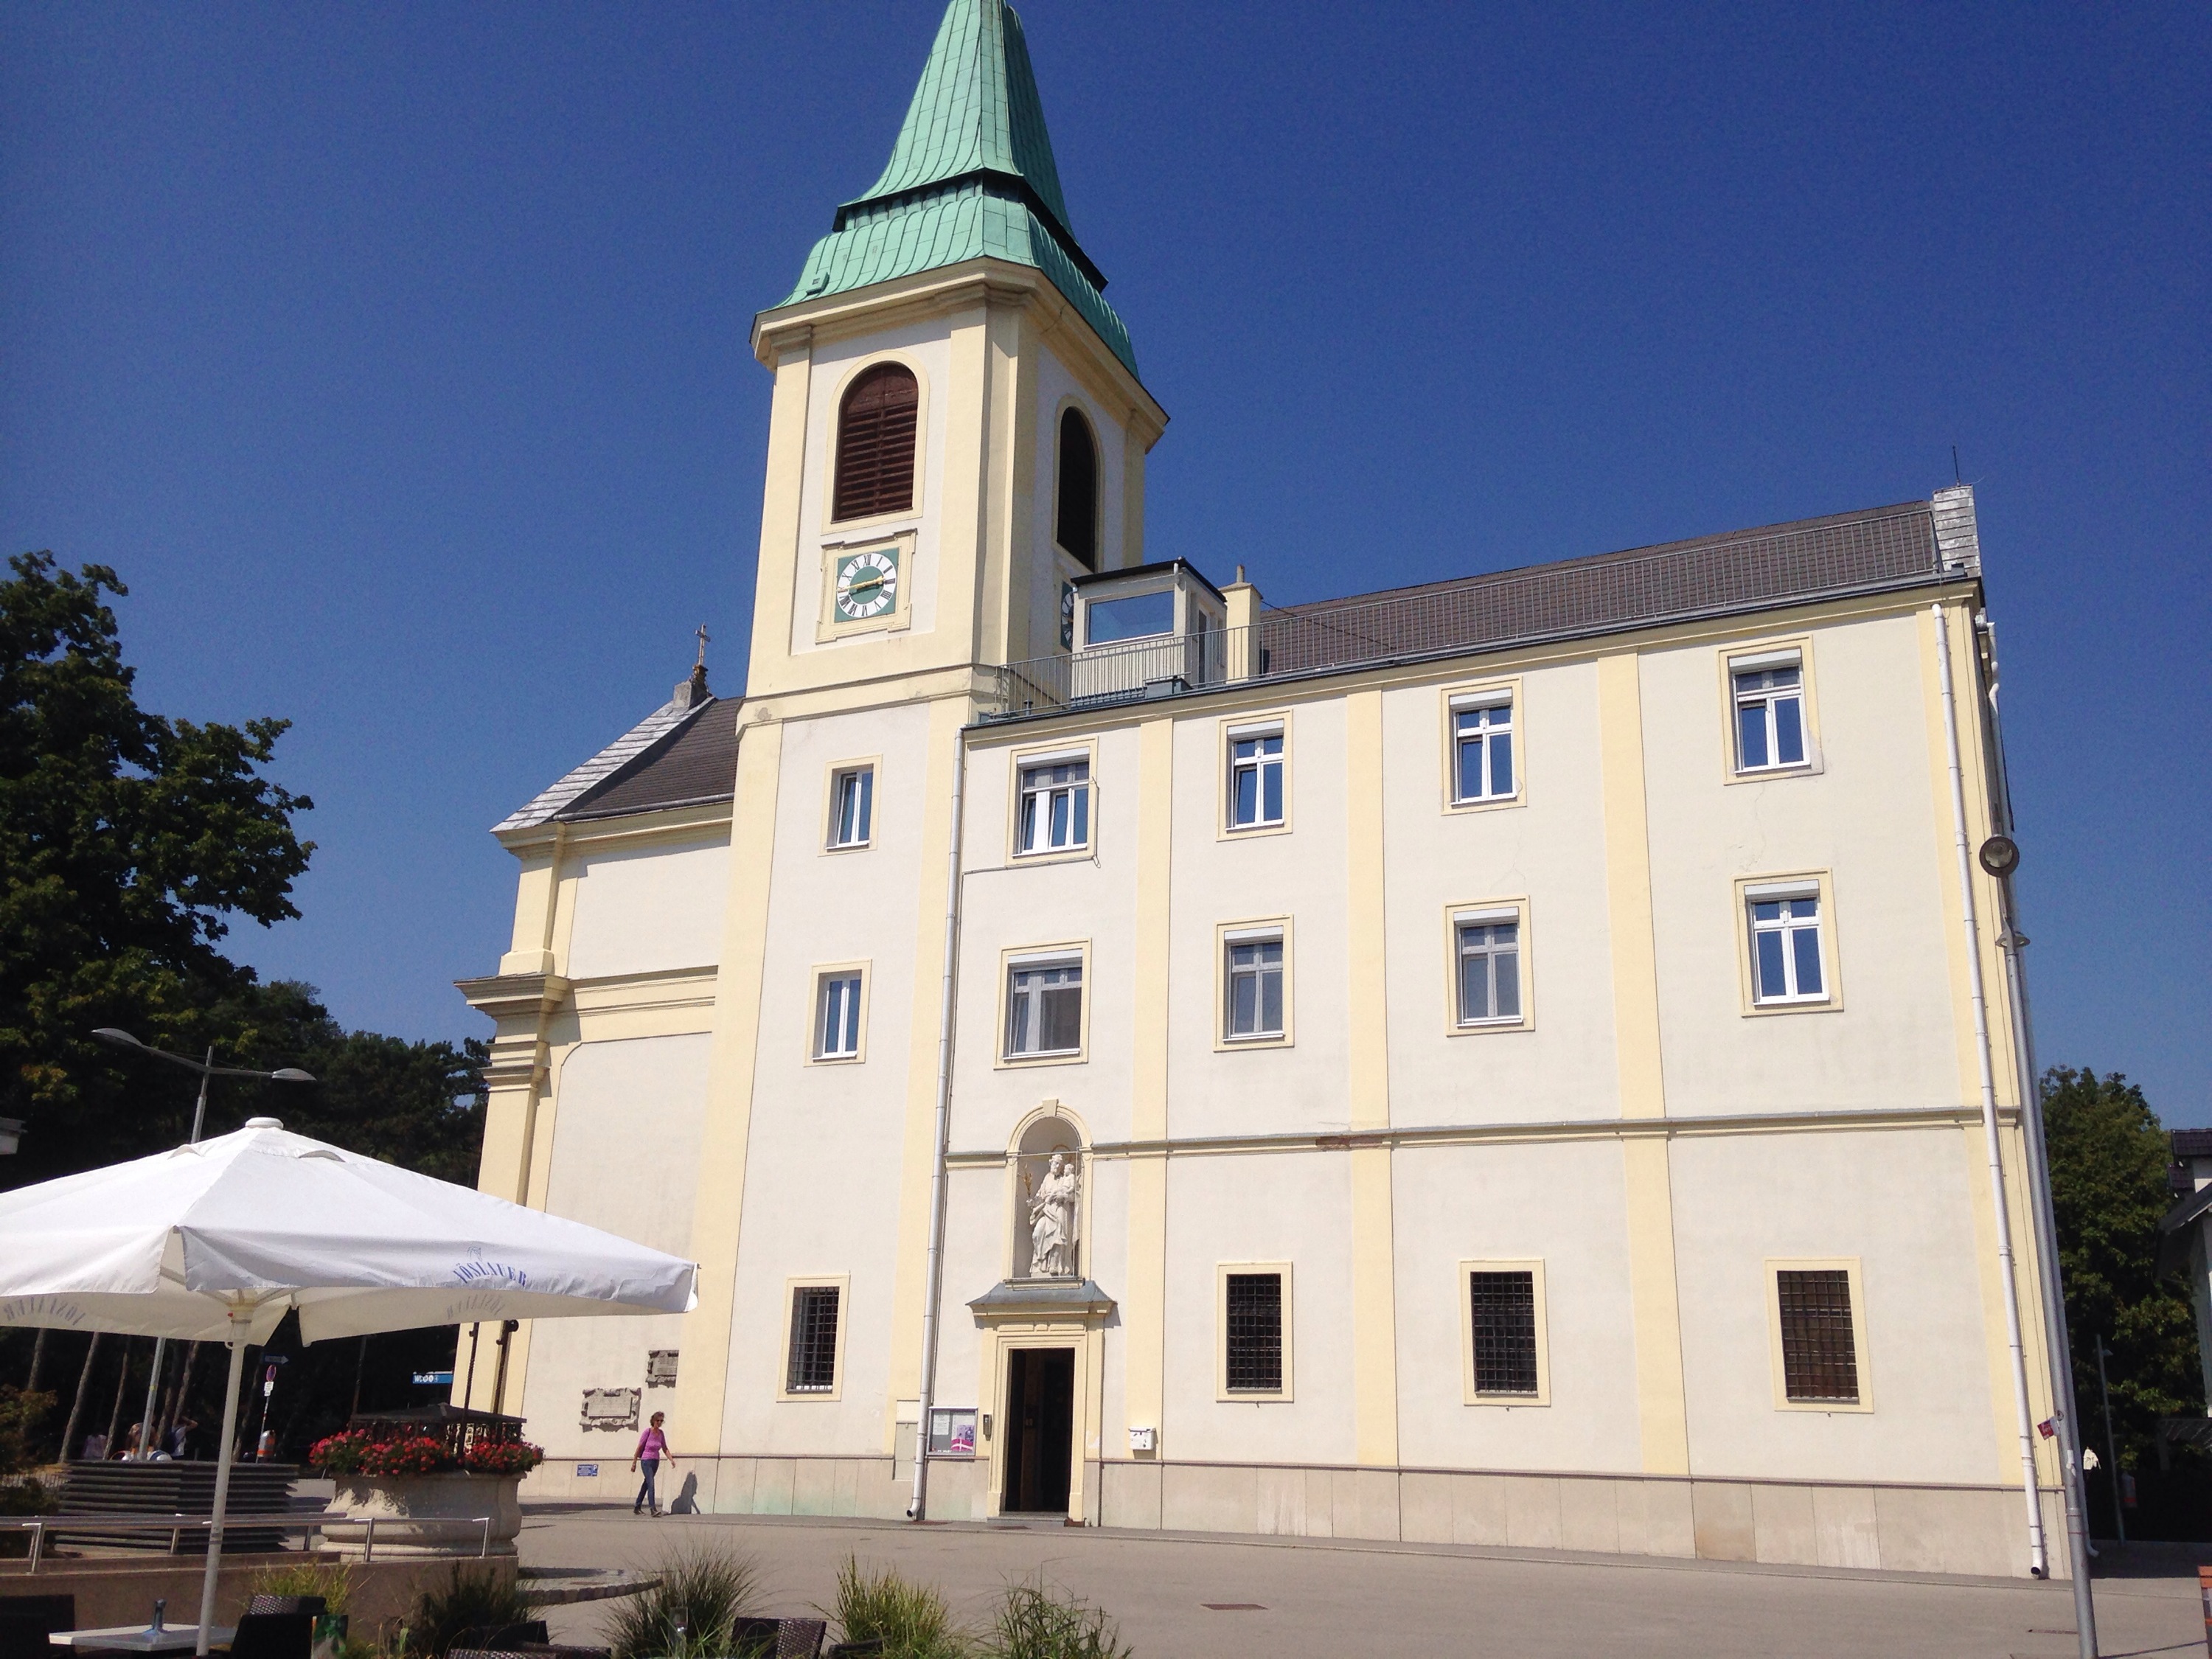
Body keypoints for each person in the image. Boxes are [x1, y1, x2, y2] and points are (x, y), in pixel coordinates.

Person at [631, 1411, 672, 1516]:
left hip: (655, 1461)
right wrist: (634, 1463)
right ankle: (653, 1509)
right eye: (658, 1421)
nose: (660, 1423)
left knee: (646, 1484)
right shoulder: (647, 1432)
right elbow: (640, 1447)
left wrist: (671, 1460)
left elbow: (664, 1448)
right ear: (653, 1421)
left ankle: (637, 1507)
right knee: (651, 1483)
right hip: (646, 1460)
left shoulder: (661, 1433)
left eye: (661, 1421)